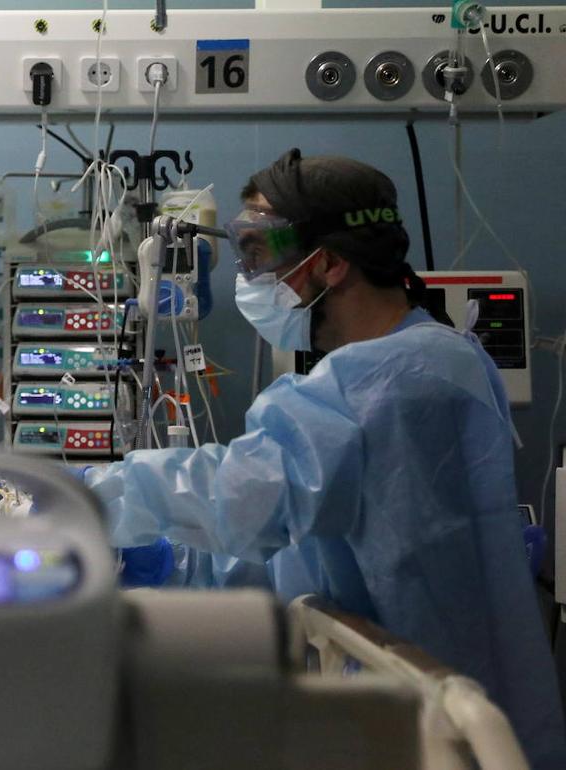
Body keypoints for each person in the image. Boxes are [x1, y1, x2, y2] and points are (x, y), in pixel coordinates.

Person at [77, 149, 566, 767]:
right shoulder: (410, 364)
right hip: (406, 705)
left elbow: (243, 493)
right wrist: (174, 561)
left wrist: (85, 495)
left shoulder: (402, 377)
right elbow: (302, 555)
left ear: (330, 263)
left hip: (441, 725)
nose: (247, 275)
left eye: (258, 252)